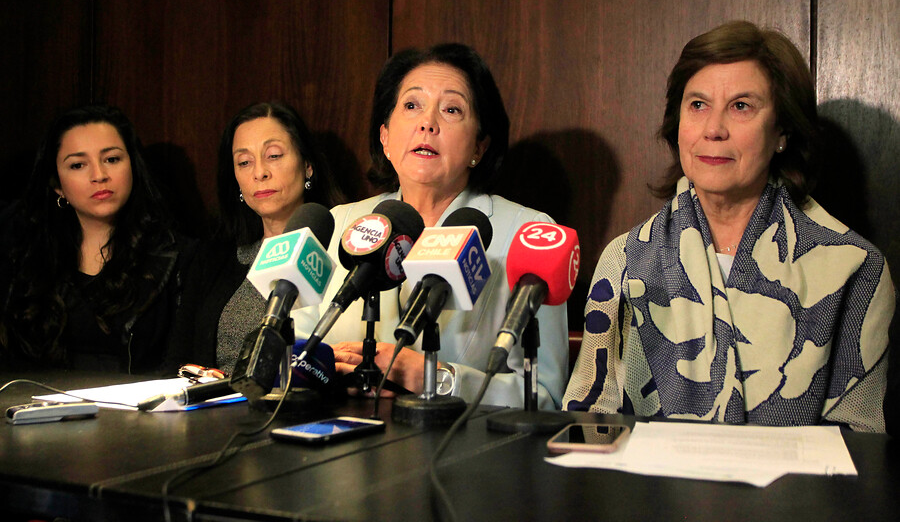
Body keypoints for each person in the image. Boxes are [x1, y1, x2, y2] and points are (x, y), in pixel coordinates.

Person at [564, 21, 895, 432]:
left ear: (782, 131)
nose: (713, 129)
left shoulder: (854, 268)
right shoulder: (628, 258)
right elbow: (590, 417)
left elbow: (858, 445)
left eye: (741, 106)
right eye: (697, 105)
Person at [299, 43, 569, 409]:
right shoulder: (338, 224)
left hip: (461, 442)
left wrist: (437, 377)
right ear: (385, 137)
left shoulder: (529, 234)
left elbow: (546, 396)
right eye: (412, 105)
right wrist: (324, 370)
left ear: (479, 146)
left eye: (451, 109)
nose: (428, 123)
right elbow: (294, 350)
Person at [0, 105, 187, 374]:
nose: (99, 175)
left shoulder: (178, 256)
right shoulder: (21, 253)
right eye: (78, 165)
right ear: (57, 184)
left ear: (133, 166)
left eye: (111, 159)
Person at [167, 101, 343, 375]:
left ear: (308, 165)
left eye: (273, 155)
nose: (259, 173)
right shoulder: (212, 259)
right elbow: (177, 360)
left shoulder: (342, 251)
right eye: (244, 162)